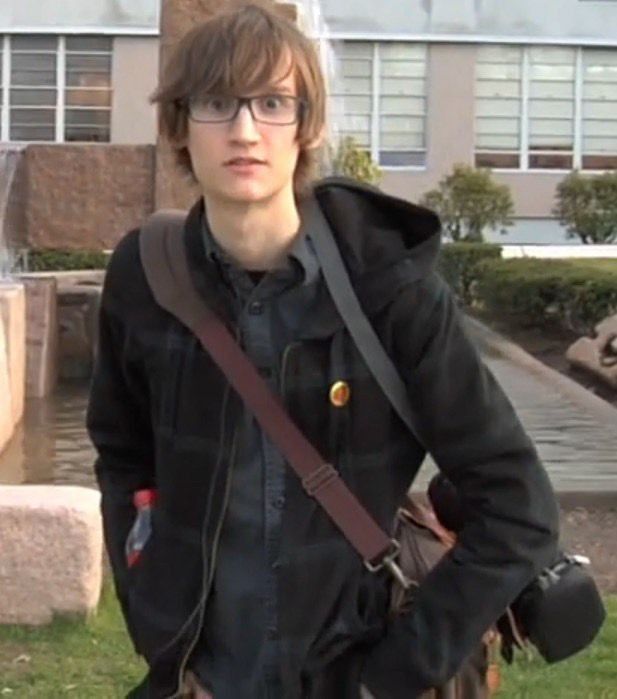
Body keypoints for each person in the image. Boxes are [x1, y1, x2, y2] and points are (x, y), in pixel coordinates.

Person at [86, 2, 559, 697]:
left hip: (353, 667)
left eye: (273, 102)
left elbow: (518, 506)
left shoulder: (388, 286)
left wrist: (392, 676)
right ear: (179, 124)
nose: (245, 130)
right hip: (203, 677)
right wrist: (155, 613)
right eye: (217, 103)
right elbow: (122, 457)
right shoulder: (144, 276)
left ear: (304, 125)